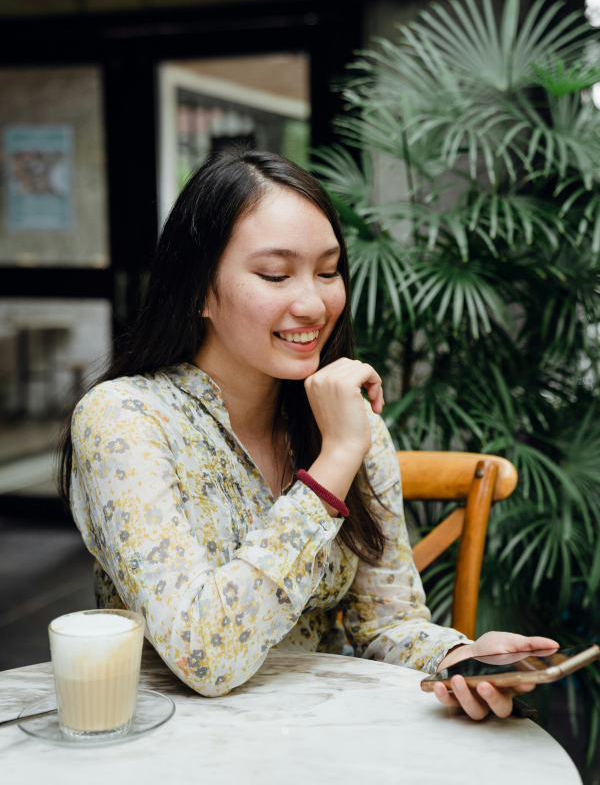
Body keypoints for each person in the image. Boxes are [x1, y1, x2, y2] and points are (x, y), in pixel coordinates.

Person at [60, 148, 557, 720]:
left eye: (327, 271)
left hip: (322, 740)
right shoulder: (125, 419)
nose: (314, 303)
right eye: (275, 275)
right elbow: (206, 656)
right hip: (175, 748)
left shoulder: (344, 416)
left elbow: (387, 623)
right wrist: (335, 461)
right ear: (197, 289)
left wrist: (460, 658)